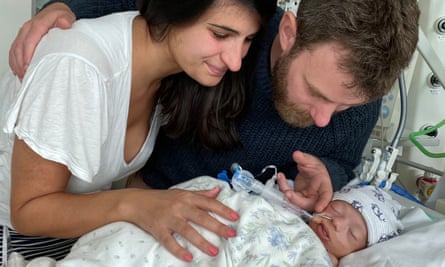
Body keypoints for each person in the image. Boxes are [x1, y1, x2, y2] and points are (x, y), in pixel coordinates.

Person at [9, 0, 420, 247]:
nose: (323, 119)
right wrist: (65, 11)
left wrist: (327, 177)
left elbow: (343, 160)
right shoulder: (236, 25)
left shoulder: (360, 90)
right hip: (150, 207)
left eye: (345, 107)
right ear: (289, 34)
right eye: (316, 91)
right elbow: (152, 15)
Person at [0, 0, 277, 264]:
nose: (235, 61)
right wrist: (135, 205)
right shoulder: (79, 64)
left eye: (247, 40)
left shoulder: (172, 75)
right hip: (13, 236)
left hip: (75, 235)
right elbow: (27, 211)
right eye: (219, 34)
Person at [13, 177, 402, 267]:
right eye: (337, 211)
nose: (334, 224)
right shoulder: (289, 209)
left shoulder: (316, 260)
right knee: (125, 243)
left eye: (352, 232)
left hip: (210, 251)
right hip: (187, 218)